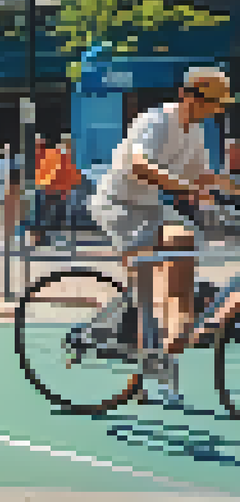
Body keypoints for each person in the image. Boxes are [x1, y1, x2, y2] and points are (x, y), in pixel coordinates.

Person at [86, 67, 240, 405]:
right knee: (147, 284)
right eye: (212, 103)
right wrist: (186, 187)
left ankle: (169, 351)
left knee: (184, 249)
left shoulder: (195, 132)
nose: (215, 111)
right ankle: (147, 367)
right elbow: (139, 166)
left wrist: (232, 187)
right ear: (189, 96)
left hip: (152, 208)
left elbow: (203, 174)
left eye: (218, 106)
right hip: (118, 206)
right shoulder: (154, 121)